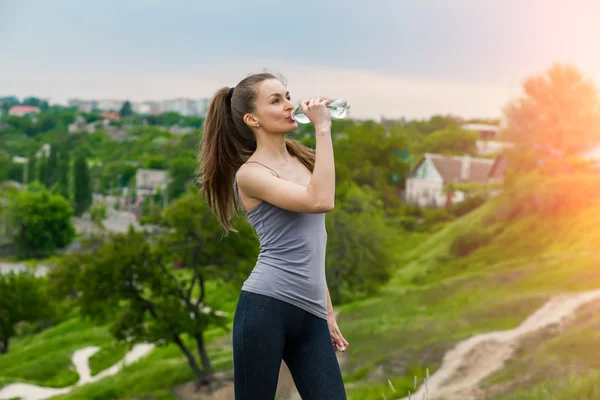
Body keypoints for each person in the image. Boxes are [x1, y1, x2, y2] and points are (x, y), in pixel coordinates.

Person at [198, 72, 349, 399]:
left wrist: (328, 312)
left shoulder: (302, 159)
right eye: (276, 100)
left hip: (310, 315)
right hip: (265, 309)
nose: (289, 106)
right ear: (252, 119)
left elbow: (310, 245)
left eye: (287, 96)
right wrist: (323, 129)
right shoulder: (251, 174)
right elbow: (320, 201)